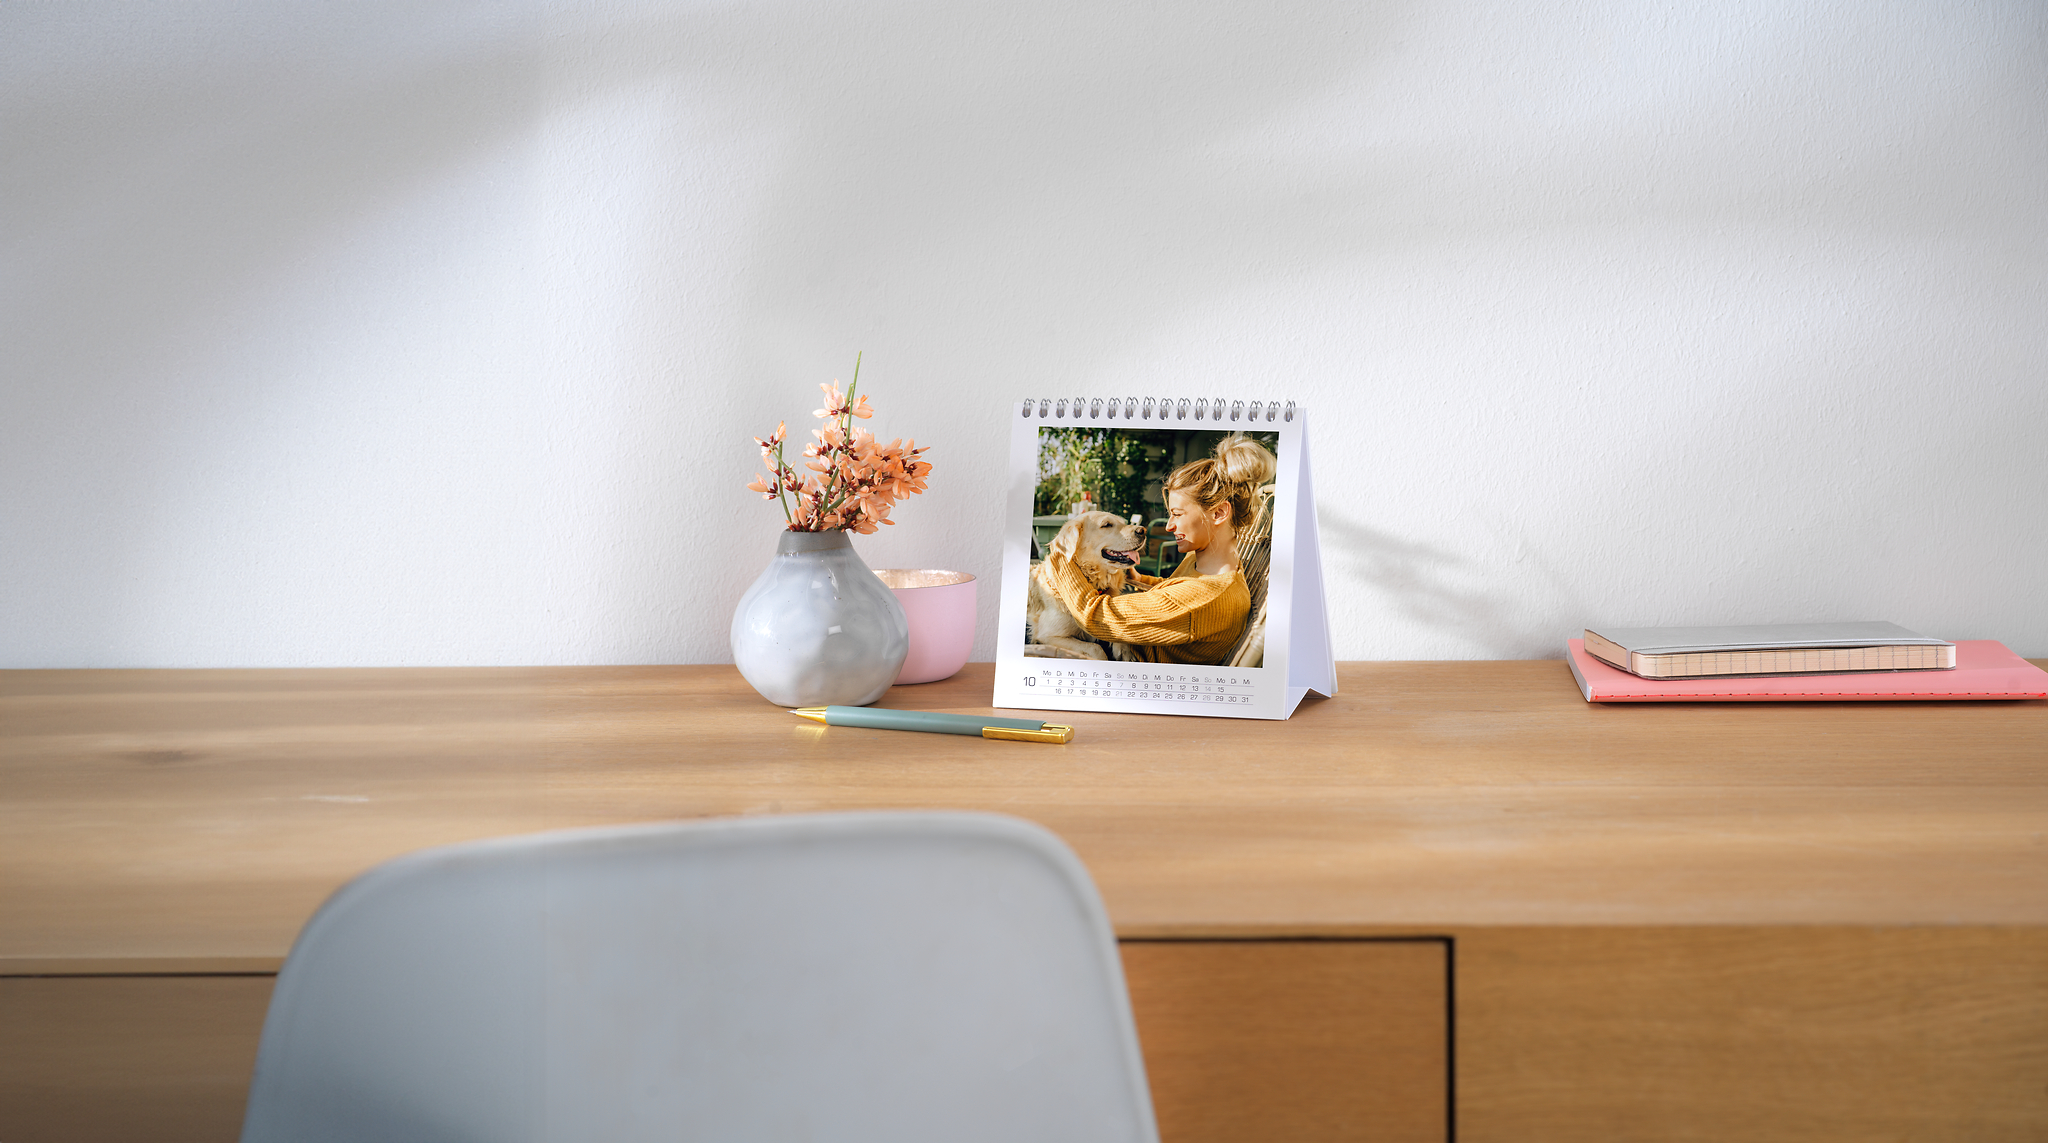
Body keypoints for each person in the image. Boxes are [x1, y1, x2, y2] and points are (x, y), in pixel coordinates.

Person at [1035, 432, 1276, 665]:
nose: (1169, 526)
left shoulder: (1207, 599)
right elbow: (1175, 593)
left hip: (1120, 664)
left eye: (1177, 514)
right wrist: (1141, 579)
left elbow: (1094, 618)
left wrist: (1061, 556)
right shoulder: (1206, 563)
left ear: (1219, 513)